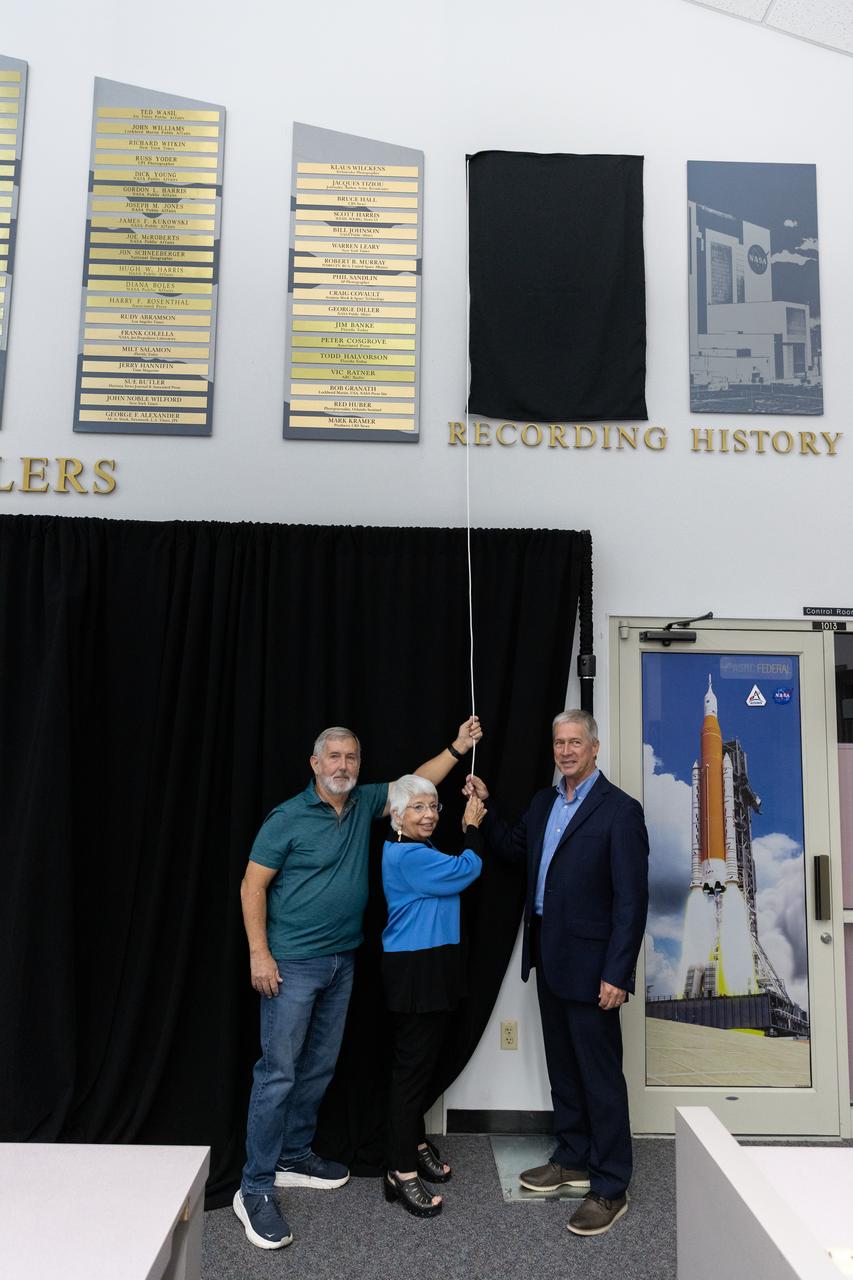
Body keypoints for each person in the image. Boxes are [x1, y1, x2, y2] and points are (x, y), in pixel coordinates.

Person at [234, 716, 482, 1250]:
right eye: (333, 758)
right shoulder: (287, 817)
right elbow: (252, 886)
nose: (342, 766)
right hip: (292, 963)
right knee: (278, 1072)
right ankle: (254, 1186)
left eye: (350, 758)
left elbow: (417, 783)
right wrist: (260, 954)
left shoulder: (367, 803)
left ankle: (294, 1154)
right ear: (315, 764)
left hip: (342, 960)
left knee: (319, 1065)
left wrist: (458, 748)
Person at [465, 709, 648, 1237]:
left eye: (575, 742)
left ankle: (611, 1184)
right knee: (564, 1069)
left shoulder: (620, 811)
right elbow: (515, 850)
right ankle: (572, 1158)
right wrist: (486, 805)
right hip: (550, 958)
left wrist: (618, 973)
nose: (566, 751)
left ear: (594, 747)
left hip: (595, 970)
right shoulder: (545, 803)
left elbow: (632, 901)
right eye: (559, 743)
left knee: (600, 1076)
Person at [380, 775, 486, 1218]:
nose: (428, 815)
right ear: (398, 816)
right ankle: (400, 1172)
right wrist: (472, 825)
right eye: (418, 808)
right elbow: (468, 870)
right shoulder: (406, 856)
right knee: (411, 1074)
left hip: (433, 968)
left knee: (423, 1069)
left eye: (433, 807)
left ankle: (415, 1141)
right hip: (415, 973)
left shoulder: (420, 851)